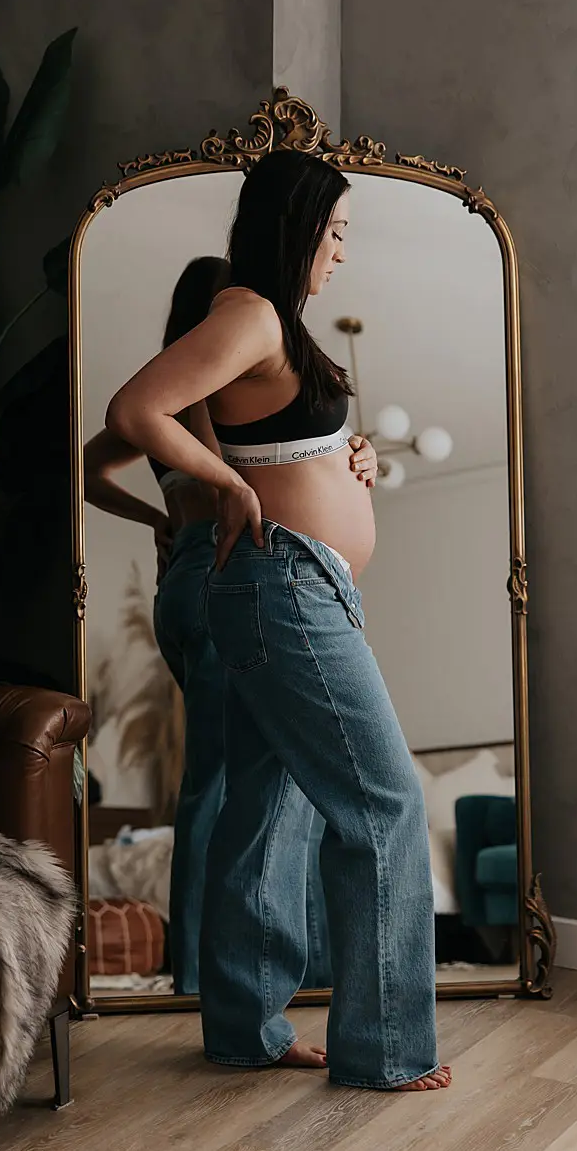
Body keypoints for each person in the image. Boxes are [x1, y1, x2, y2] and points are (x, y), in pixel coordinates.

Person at [102, 149, 448, 1092]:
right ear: (297, 226)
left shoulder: (271, 326)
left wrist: (354, 458)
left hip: (297, 587)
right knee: (384, 804)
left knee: (264, 811)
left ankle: (244, 1028)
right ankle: (383, 1050)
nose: (341, 252)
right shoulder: (249, 311)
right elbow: (134, 411)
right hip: (284, 588)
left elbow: (291, 441)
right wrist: (222, 486)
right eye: (334, 231)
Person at [86, 257, 368, 994]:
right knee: (236, 780)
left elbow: (87, 469)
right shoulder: (206, 387)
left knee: (223, 776)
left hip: (182, 582)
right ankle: (209, 977)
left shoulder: (171, 399)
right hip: (220, 576)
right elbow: (243, 468)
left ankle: (219, 970)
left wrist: (157, 516)